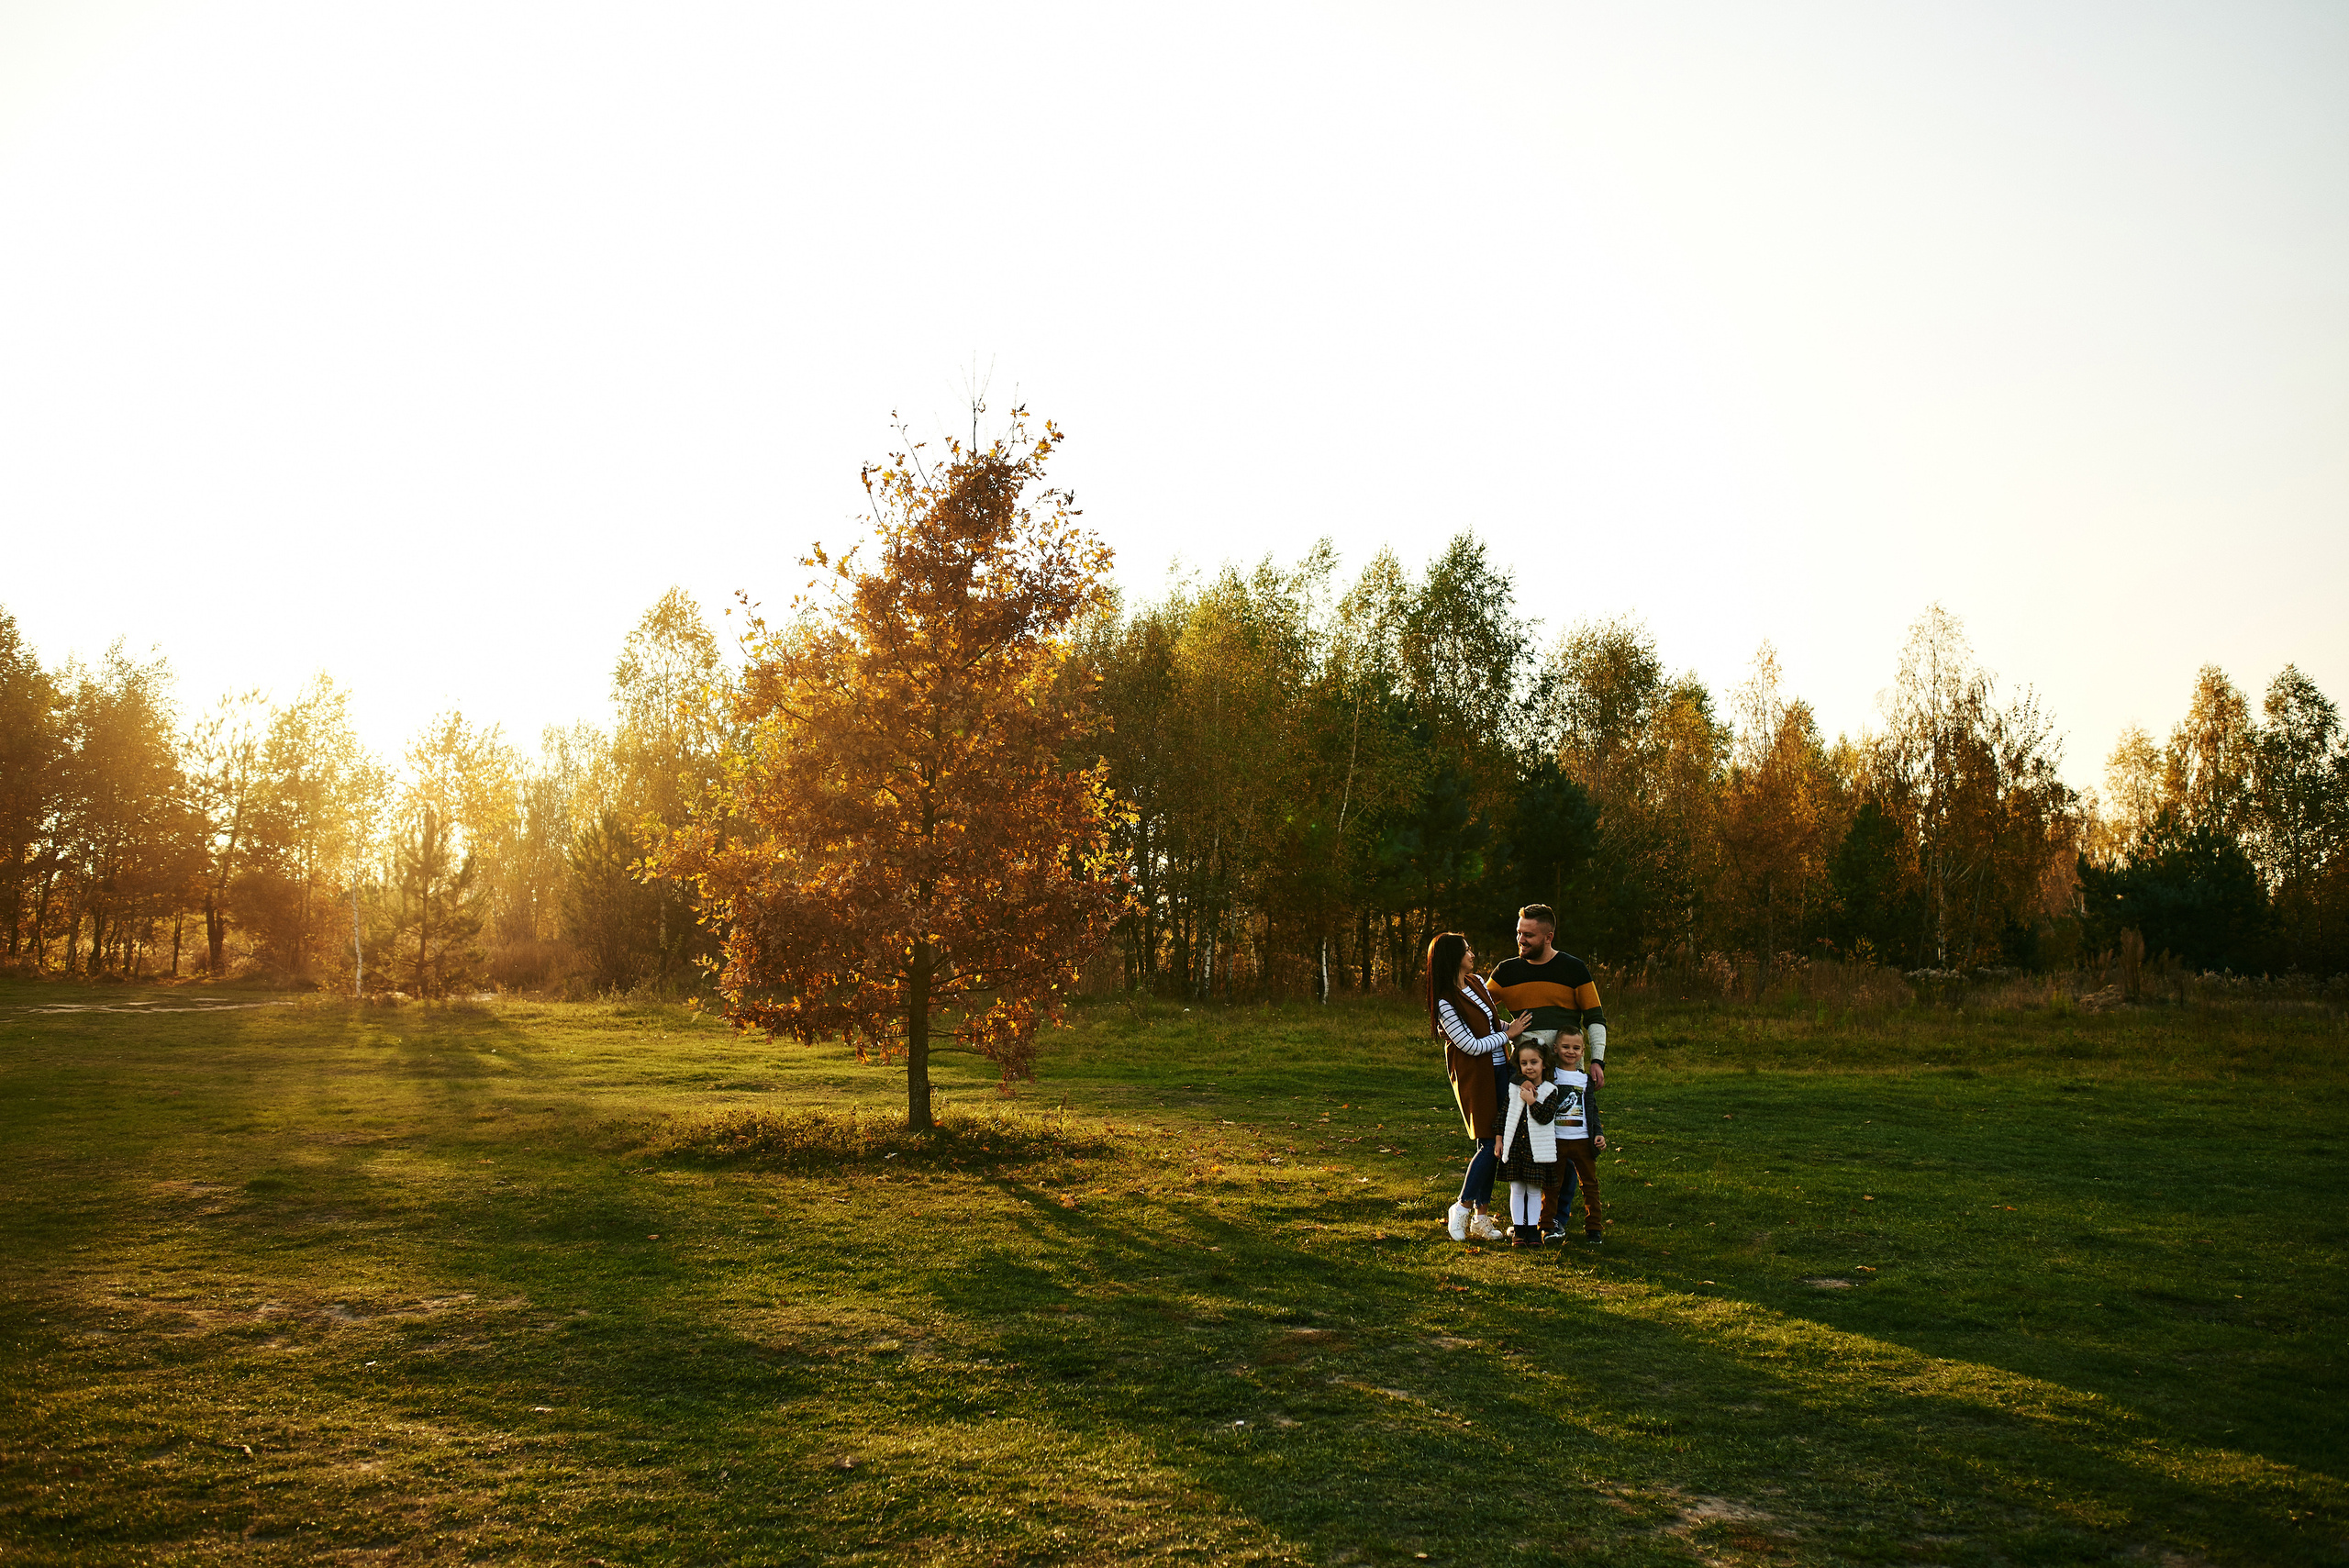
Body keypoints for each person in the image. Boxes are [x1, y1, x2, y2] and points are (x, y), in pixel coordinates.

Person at [1486, 904, 1610, 1239]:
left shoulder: (1574, 969)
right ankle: (1531, 1218)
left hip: (1568, 1074)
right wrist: (1480, 1029)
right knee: (1530, 1144)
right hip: (1525, 1077)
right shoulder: (1506, 971)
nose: (1521, 940)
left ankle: (1556, 1220)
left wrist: (1596, 1060)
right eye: (1518, 933)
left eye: (1528, 935)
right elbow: (1479, 1009)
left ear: (1548, 936)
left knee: (1566, 1145)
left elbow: (1596, 1018)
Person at [1427, 930, 1528, 1244]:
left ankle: (1481, 1218)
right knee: (1488, 1143)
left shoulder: (1476, 983)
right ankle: (1462, 1206)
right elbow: (1469, 1045)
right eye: (1467, 950)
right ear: (1453, 958)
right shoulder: (1445, 1001)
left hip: (1500, 1070)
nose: (1472, 954)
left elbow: (1489, 1024)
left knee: (1499, 1142)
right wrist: (1509, 1035)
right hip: (1474, 1075)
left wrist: (1510, 1028)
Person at [1496, 1038, 1561, 1246]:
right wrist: (1499, 1140)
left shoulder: (1550, 1091)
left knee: (1533, 1189)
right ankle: (1519, 1230)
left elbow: (1545, 1117)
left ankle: (1533, 1230)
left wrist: (1532, 1102)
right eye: (1524, 1063)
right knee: (1517, 1188)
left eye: (1534, 1062)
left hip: (1536, 1150)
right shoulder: (1514, 1089)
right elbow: (1503, 1115)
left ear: (1544, 1064)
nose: (1529, 1067)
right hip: (1515, 1147)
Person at [1547, 1032, 1607, 1244]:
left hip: (1582, 1141)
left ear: (1582, 1052)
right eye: (1565, 1047)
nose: (1570, 1052)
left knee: (1589, 1184)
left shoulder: (1584, 1079)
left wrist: (1598, 1134)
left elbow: (1592, 1109)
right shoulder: (1550, 1076)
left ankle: (1594, 1228)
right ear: (1555, 1049)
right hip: (1556, 1140)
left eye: (1576, 1048)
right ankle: (1547, 1225)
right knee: (1552, 1184)